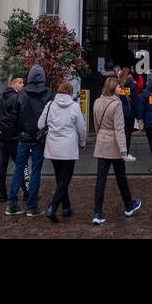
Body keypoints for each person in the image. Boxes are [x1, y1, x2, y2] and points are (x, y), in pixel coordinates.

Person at [91, 77, 143, 225]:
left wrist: (101, 136)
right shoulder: (116, 104)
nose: (121, 89)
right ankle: (129, 205)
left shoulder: (96, 102)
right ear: (113, 88)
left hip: (102, 144)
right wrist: (123, 151)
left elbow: (96, 125)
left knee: (101, 180)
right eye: (119, 87)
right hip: (114, 146)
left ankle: (98, 212)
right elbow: (119, 129)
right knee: (121, 178)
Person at [38, 79, 87, 223]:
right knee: (65, 179)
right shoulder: (74, 107)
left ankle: (66, 207)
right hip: (68, 148)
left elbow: (40, 124)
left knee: (60, 178)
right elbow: (81, 127)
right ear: (71, 93)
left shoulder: (50, 105)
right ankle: (53, 207)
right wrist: (82, 141)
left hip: (53, 147)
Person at [6, 65, 50, 217]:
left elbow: (14, 116)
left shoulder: (22, 94)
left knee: (18, 169)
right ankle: (32, 206)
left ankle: (12, 203)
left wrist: (18, 132)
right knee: (36, 171)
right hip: (39, 137)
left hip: (24, 137)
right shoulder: (47, 94)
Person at [0, 74, 25, 204]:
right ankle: (27, 191)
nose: (22, 85)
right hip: (14, 137)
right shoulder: (17, 98)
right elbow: (19, 118)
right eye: (20, 82)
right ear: (14, 84)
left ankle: (2, 194)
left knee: (2, 165)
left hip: (3, 136)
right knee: (21, 165)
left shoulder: (1, 99)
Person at [116, 67, 140, 158]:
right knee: (128, 133)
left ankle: (119, 151)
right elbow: (136, 101)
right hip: (129, 113)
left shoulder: (117, 85)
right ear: (128, 75)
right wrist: (138, 116)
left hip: (118, 112)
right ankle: (125, 153)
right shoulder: (132, 86)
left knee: (119, 132)